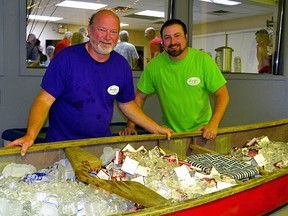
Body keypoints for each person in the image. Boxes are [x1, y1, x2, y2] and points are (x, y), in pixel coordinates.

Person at [7, 9, 172, 156]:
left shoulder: (121, 65)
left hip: (99, 146)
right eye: (102, 30)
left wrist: (156, 128)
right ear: (89, 30)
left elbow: (127, 104)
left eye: (113, 32)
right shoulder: (66, 59)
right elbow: (44, 100)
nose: (108, 37)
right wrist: (30, 136)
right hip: (61, 146)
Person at [119, 19, 229, 140]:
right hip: (170, 134)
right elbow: (139, 97)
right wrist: (130, 125)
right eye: (167, 37)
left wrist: (213, 124)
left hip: (201, 132)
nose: (173, 42)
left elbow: (223, 95)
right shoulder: (154, 66)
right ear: (162, 41)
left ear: (186, 37)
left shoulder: (202, 60)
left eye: (177, 36)